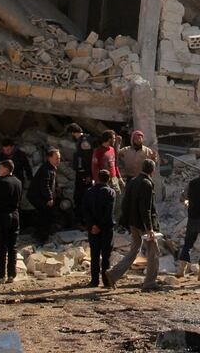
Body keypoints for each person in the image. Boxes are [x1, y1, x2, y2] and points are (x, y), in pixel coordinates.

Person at [105, 159, 161, 290]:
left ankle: (113, 274)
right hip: (143, 225)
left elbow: (125, 203)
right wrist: (150, 229)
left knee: (134, 250)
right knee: (154, 252)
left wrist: (127, 221)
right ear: (152, 170)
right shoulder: (146, 183)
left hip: (133, 223)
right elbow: (146, 208)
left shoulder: (133, 181)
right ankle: (150, 282)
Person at [0, 159, 22, 283]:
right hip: (15, 215)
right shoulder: (18, 182)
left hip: (3, 216)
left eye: (0, 168)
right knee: (12, 246)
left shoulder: (1, 182)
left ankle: (0, 275)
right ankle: (12, 275)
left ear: (6, 169)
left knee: (1, 246)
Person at [82, 169, 116, 288]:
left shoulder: (89, 192)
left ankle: (94, 280)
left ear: (98, 178)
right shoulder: (111, 192)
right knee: (106, 255)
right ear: (109, 179)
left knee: (94, 254)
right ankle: (106, 281)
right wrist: (101, 226)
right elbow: (109, 213)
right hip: (106, 228)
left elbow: (86, 211)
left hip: (93, 229)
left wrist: (93, 225)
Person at [28, 148, 60, 244]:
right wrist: (49, 198)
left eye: (59, 158)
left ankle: (41, 234)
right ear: (49, 158)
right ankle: (42, 238)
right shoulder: (46, 169)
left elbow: (51, 182)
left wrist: (57, 188)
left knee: (45, 214)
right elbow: (44, 185)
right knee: (45, 215)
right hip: (37, 196)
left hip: (40, 196)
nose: (58, 160)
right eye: (56, 158)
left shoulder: (51, 167)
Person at [68, 124, 93, 224]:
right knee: (79, 197)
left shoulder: (84, 141)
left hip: (84, 174)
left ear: (73, 133)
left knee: (82, 197)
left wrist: (88, 175)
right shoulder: (82, 141)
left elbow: (87, 159)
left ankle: (84, 221)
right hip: (81, 173)